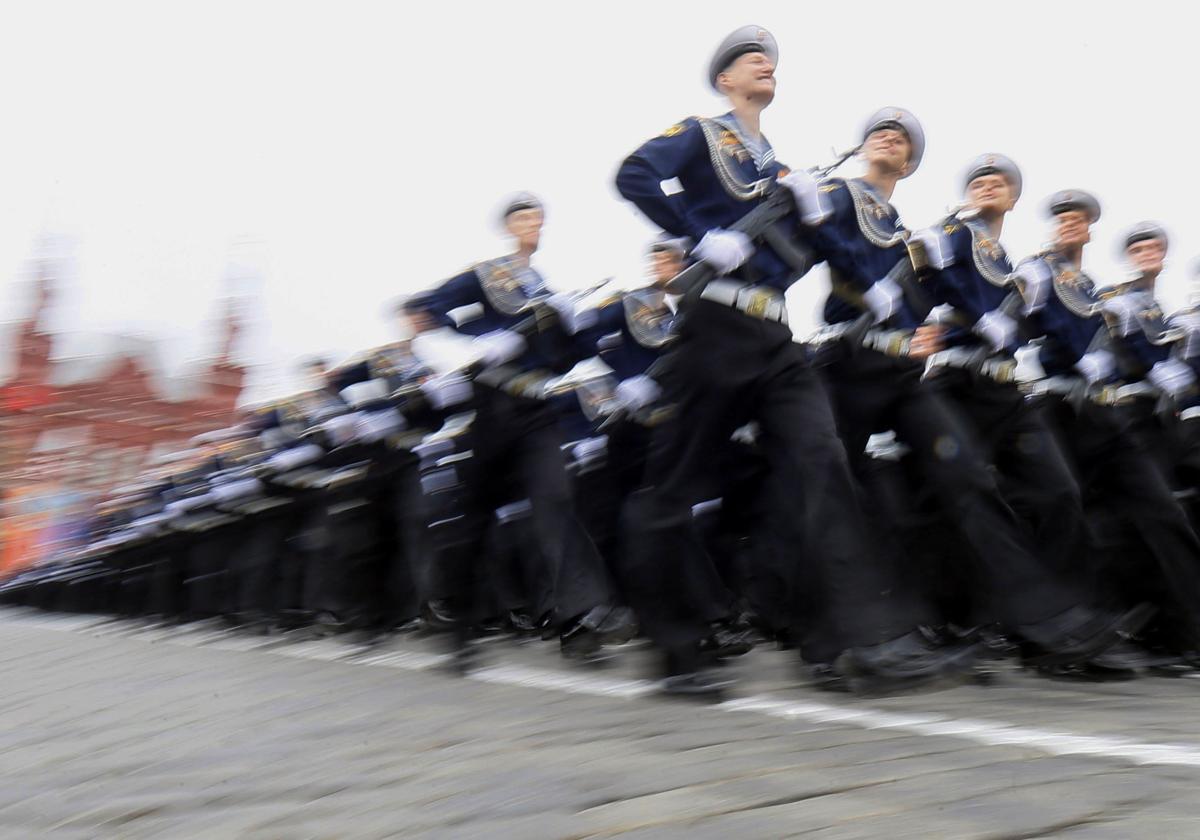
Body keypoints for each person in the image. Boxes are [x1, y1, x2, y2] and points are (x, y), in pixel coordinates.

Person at [615, 27, 973, 698]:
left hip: (777, 340)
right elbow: (633, 174)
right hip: (714, 325)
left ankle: (856, 641)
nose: (764, 63)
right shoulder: (702, 132)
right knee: (674, 490)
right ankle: (677, 653)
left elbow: (842, 253)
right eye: (750, 58)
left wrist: (824, 219)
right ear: (725, 80)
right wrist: (698, 236)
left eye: (770, 59)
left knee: (823, 465)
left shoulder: (776, 165)